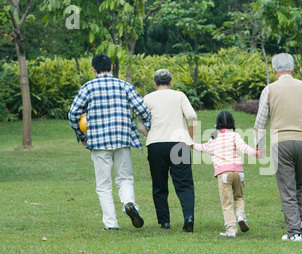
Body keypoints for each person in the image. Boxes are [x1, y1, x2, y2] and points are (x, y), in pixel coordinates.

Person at [68, 53, 151, 230]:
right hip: (122, 139)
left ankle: (111, 224)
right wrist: (148, 127)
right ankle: (129, 203)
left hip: (98, 142)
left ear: (93, 69)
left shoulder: (87, 88)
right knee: (125, 178)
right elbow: (143, 109)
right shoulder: (124, 86)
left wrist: (82, 136)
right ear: (112, 68)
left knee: (103, 185)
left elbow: (73, 114)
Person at [254, 53, 302, 242]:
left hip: (281, 143)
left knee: (287, 189)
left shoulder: (269, 89)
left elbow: (260, 123)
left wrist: (260, 148)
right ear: (293, 70)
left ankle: (294, 232)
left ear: (274, 71)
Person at [142, 69, 197, 232]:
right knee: (185, 184)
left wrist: (148, 135)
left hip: (156, 145)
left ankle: (164, 222)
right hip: (179, 143)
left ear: (154, 83)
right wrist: (191, 138)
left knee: (159, 184)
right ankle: (188, 217)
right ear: (171, 82)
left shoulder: (148, 98)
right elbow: (192, 116)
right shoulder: (179, 95)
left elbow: (140, 122)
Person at [193, 111, 260, 237]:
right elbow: (243, 147)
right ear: (232, 122)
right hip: (238, 173)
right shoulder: (235, 135)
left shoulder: (214, 137)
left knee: (227, 202)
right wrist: (255, 153)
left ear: (217, 123)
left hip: (224, 174)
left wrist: (192, 145)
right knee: (239, 197)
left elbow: (203, 147)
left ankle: (231, 230)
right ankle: (240, 215)